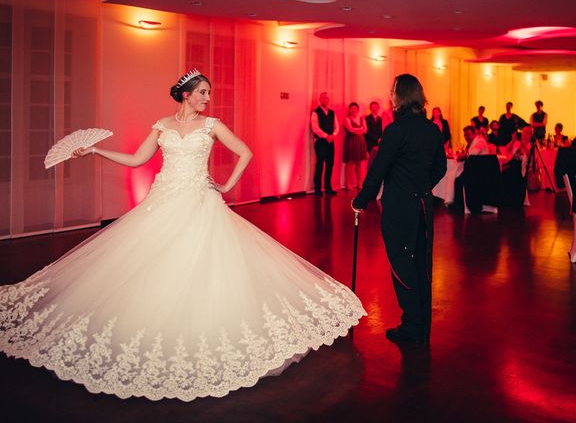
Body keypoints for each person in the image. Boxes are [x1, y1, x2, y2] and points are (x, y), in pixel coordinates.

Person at [0, 70, 365, 401]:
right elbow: (137, 159)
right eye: (203, 92)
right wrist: (96, 150)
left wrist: (224, 185)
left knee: (203, 264)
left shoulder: (212, 125)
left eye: (209, 92)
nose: (208, 98)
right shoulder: (161, 124)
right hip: (163, 200)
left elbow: (246, 152)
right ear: (186, 95)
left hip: (200, 201)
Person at [352, 74, 446, 346]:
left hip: (400, 207)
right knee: (421, 265)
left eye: (392, 91)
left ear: (400, 96)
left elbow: (377, 171)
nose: (390, 95)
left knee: (402, 264)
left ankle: (412, 327)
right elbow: (440, 168)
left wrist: (361, 201)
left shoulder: (395, 130)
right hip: (422, 207)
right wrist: (423, 187)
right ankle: (420, 325)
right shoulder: (432, 129)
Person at [311, 92, 339, 195]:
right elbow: (315, 128)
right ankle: (317, 189)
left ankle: (328, 188)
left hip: (331, 142)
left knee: (330, 165)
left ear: (328, 100)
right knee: (319, 165)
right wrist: (327, 136)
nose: (325, 100)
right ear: (319, 99)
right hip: (320, 142)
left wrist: (333, 135)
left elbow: (336, 126)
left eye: (327, 98)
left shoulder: (332, 113)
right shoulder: (315, 112)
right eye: (323, 98)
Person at [343, 102, 368, 189]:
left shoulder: (361, 118)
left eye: (355, 108)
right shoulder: (347, 119)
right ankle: (347, 183)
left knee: (359, 163)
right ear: (350, 109)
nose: (353, 109)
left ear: (357, 109)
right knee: (350, 162)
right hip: (351, 141)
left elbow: (365, 130)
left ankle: (359, 183)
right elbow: (350, 130)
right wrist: (360, 129)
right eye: (352, 108)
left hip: (360, 141)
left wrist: (358, 130)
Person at [364, 100, 384, 167]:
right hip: (370, 142)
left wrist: (380, 138)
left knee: (378, 161)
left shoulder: (380, 118)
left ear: (378, 108)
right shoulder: (367, 118)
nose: (374, 108)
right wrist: (376, 139)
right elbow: (367, 132)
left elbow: (380, 130)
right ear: (370, 108)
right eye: (373, 107)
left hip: (378, 143)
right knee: (371, 161)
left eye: (376, 107)